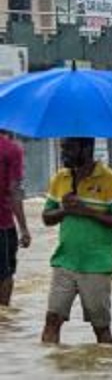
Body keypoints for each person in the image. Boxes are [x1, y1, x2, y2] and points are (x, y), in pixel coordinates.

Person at [41, 137, 112, 345]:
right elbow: (47, 218)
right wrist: (64, 210)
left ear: (87, 148)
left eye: (69, 148)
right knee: (52, 320)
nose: (64, 153)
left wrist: (87, 211)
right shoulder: (60, 179)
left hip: (96, 265)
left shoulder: (110, 180)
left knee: (100, 328)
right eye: (63, 148)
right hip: (64, 261)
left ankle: (104, 371)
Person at [0, 129, 30, 307]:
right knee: (4, 274)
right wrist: (24, 229)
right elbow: (14, 192)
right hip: (2, 223)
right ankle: (3, 324)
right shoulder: (11, 150)